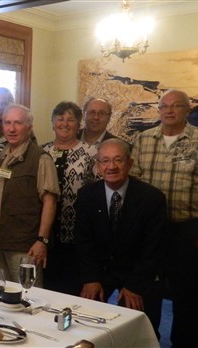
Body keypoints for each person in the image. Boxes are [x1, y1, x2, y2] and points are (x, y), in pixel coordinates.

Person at [75, 138, 166, 335]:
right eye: (105, 161)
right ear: (98, 166)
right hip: (100, 271)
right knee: (83, 324)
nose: (111, 167)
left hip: (136, 273)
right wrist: (91, 278)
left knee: (141, 329)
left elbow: (153, 248)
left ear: (130, 164)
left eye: (118, 160)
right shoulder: (86, 196)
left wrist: (135, 286)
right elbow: (84, 242)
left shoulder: (152, 198)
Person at [130, 89, 198, 347]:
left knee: (187, 293)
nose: (169, 111)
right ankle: (149, 340)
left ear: (187, 110)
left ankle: (184, 341)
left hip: (186, 228)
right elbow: (133, 180)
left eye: (176, 106)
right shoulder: (144, 139)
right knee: (149, 289)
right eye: (164, 106)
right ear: (158, 111)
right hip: (149, 230)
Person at [0, 104, 59, 285]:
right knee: (2, 298)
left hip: (25, 247)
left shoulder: (40, 158)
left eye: (18, 123)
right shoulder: (1, 156)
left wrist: (41, 240)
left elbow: (50, 202)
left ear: (29, 127)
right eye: (7, 123)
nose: (11, 129)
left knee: (28, 298)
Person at [41, 101, 98, 296]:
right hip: (44, 233)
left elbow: (97, 192)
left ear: (79, 124)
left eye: (70, 119)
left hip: (76, 234)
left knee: (70, 288)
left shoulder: (91, 153)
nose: (65, 123)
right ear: (53, 123)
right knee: (45, 288)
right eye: (60, 119)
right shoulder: (42, 152)